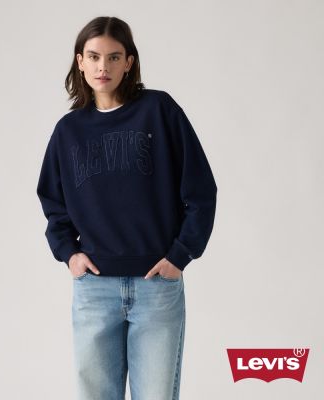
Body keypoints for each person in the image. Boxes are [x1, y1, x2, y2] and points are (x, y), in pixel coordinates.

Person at [36, 16, 217, 400]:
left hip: (156, 287)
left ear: (129, 62)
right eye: (94, 56)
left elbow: (201, 190)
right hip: (94, 290)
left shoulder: (159, 111)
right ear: (80, 61)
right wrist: (69, 254)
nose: (103, 66)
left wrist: (180, 255)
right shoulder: (68, 131)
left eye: (114, 57)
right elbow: (53, 203)